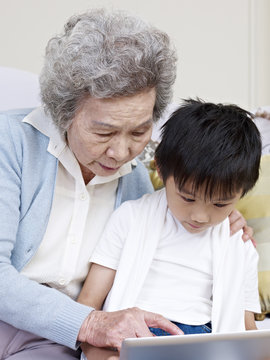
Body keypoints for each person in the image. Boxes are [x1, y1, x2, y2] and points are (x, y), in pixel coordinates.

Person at [0, 8, 252, 360]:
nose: (120, 152)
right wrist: (88, 323)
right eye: (103, 131)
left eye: (138, 131)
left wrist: (222, 217)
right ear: (65, 111)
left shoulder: (136, 183)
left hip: (54, 341)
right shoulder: (9, 142)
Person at [78, 99, 262, 359]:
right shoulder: (130, 219)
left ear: (241, 193)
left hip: (205, 341)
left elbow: (247, 329)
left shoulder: (239, 243)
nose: (200, 216)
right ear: (161, 170)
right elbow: (88, 307)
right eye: (187, 197)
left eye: (220, 203)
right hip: (137, 336)